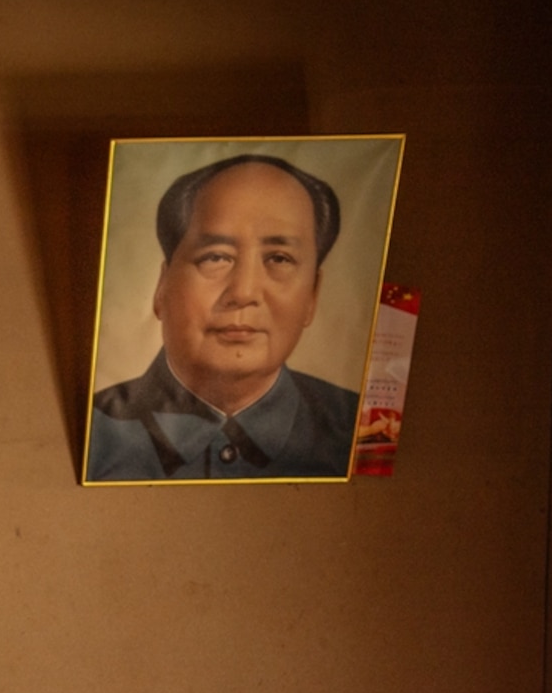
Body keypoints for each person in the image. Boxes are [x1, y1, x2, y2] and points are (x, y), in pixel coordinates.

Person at [85, 153, 360, 482]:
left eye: (279, 259)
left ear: (312, 295)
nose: (244, 292)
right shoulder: (93, 431)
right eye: (216, 257)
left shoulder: (358, 431)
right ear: (162, 287)